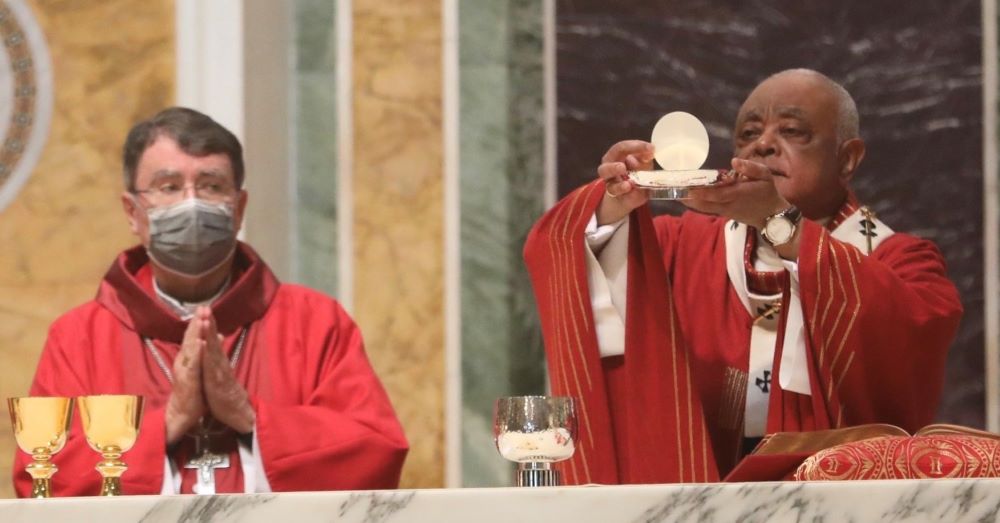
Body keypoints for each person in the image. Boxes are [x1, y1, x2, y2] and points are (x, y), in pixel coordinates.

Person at [524, 69, 963, 484]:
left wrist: (782, 222)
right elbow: (571, 254)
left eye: (791, 132)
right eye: (749, 134)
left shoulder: (898, 259)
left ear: (847, 159)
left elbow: (912, 331)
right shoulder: (685, 246)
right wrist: (615, 203)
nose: (763, 145)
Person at [13, 107, 408, 496]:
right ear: (132, 212)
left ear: (238, 209)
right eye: (169, 187)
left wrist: (248, 415)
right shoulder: (80, 338)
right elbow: (41, 478)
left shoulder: (316, 323)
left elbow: (374, 454)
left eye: (211, 186)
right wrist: (169, 422)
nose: (192, 203)